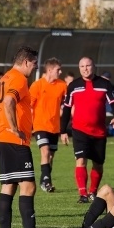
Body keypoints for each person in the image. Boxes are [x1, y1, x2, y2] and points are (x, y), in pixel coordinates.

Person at [0, 46, 55, 228]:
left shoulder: (5, 78)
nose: (35, 68)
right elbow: (8, 102)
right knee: (29, 186)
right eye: (34, 64)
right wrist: (14, 129)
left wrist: (0, 126)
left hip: (2, 139)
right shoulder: (19, 79)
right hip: (15, 142)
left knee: (9, 185)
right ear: (25, 62)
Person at [61, 57, 114, 203]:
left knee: (98, 164)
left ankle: (92, 191)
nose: (85, 68)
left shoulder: (105, 84)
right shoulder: (73, 86)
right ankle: (83, 194)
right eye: (82, 66)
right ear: (79, 68)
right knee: (81, 160)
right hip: (79, 130)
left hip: (99, 132)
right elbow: (67, 109)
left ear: (94, 66)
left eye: (88, 65)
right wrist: (62, 131)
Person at [30, 57, 66, 193]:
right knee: (45, 152)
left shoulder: (62, 85)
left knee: (50, 156)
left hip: (54, 127)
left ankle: (44, 179)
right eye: (58, 69)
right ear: (49, 70)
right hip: (40, 125)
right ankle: (47, 182)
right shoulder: (37, 85)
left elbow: (68, 102)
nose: (60, 72)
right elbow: (29, 106)